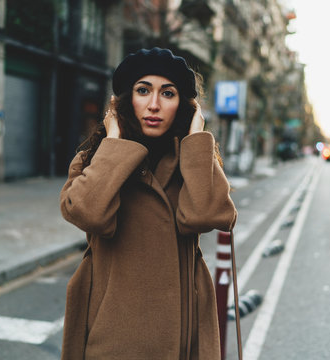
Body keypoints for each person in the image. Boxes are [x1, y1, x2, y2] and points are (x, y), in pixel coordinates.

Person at [59, 47, 237, 360]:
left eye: (168, 93)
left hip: (181, 333)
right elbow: (89, 214)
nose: (154, 105)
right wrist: (114, 143)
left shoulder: (193, 159)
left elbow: (210, 215)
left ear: (184, 104)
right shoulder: (95, 159)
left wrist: (197, 137)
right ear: (124, 100)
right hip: (110, 334)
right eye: (143, 91)